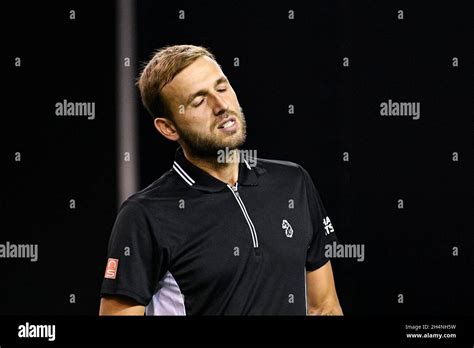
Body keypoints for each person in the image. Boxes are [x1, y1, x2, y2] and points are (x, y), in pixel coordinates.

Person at [99, 45, 343, 315]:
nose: (221, 106)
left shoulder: (293, 182)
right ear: (168, 128)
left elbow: (325, 307)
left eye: (222, 87)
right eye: (199, 101)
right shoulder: (144, 214)